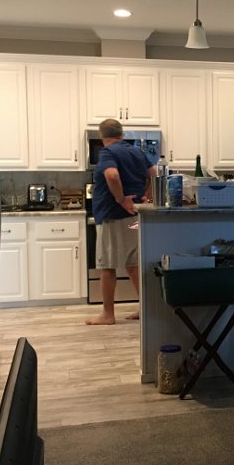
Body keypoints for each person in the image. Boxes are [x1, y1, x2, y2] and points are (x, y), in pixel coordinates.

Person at [87, 119, 156, 325]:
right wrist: (148, 195)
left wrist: (120, 199)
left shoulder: (108, 152)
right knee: (133, 265)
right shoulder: (136, 151)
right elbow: (154, 173)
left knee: (107, 266)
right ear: (121, 133)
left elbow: (112, 175)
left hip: (113, 215)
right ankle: (146, 309)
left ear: (102, 136)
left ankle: (107, 314)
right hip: (134, 215)